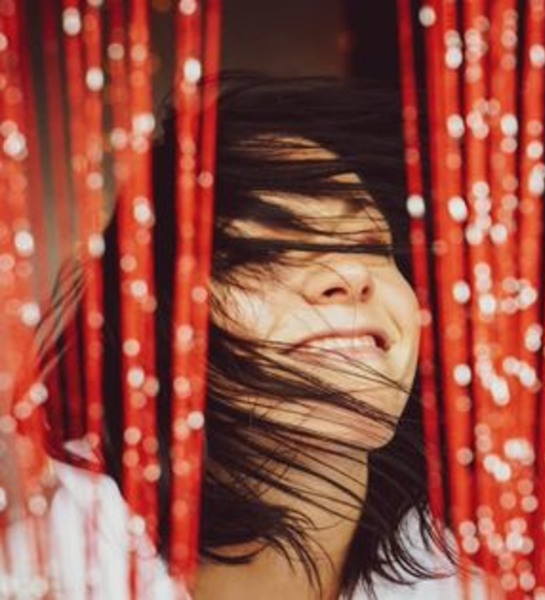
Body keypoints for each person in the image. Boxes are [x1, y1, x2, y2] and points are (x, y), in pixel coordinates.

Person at [14, 75, 498, 599]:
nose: (351, 274)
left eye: (367, 242)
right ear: (156, 322)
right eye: (265, 252)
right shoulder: (40, 569)